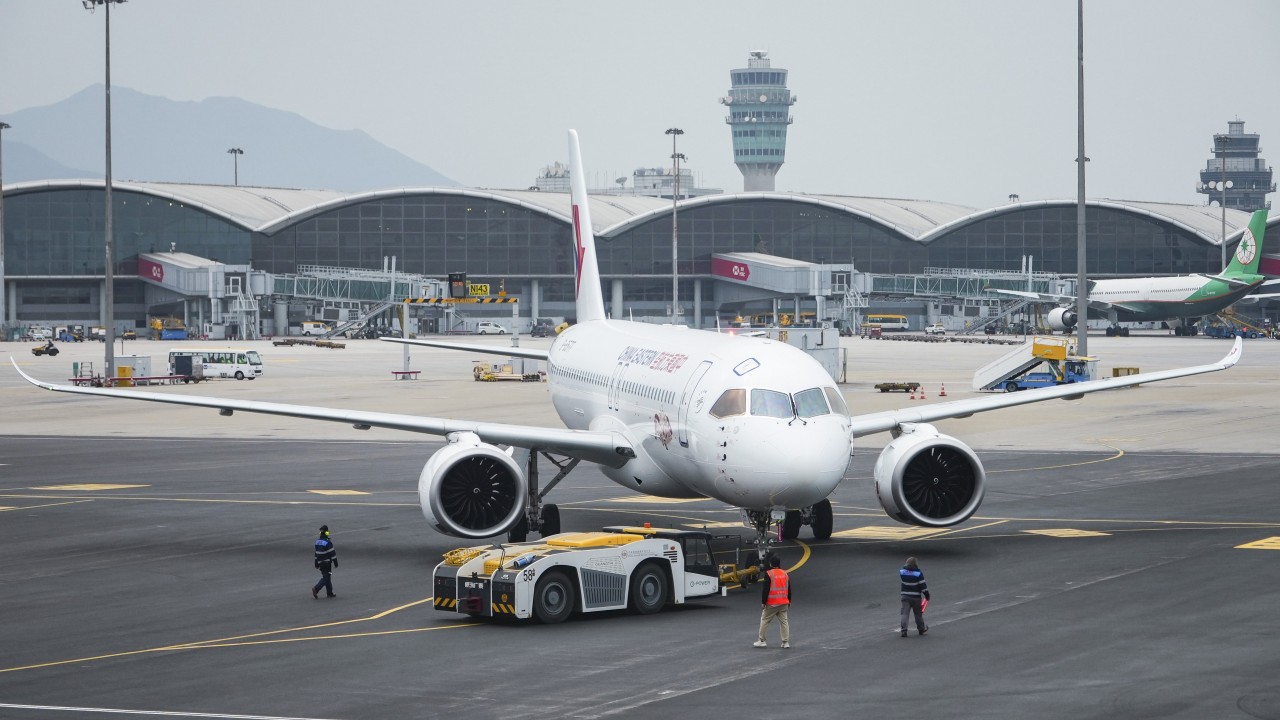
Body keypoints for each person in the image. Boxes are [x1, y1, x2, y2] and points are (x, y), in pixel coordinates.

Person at [753, 555, 791, 649]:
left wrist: (763, 602)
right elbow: (789, 589)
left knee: (765, 620)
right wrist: (789, 600)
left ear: (770, 564)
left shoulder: (769, 574)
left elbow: (766, 589)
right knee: (784, 622)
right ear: (779, 564)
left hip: (772, 603)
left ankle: (762, 640)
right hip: (784, 602)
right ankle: (785, 642)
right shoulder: (785, 573)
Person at [899, 556, 929, 637]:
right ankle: (921, 629)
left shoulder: (902, 572)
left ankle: (903, 631)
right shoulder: (918, 573)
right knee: (918, 614)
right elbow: (923, 586)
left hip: (905, 596)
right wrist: (927, 595)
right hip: (916, 597)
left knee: (905, 614)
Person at [312, 524, 337, 599]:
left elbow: (316, 553)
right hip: (326, 562)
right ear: (326, 533)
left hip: (320, 562)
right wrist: (335, 562)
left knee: (327, 576)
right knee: (326, 577)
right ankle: (316, 588)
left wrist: (316, 563)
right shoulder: (327, 542)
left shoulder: (317, 542)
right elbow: (332, 553)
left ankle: (329, 593)